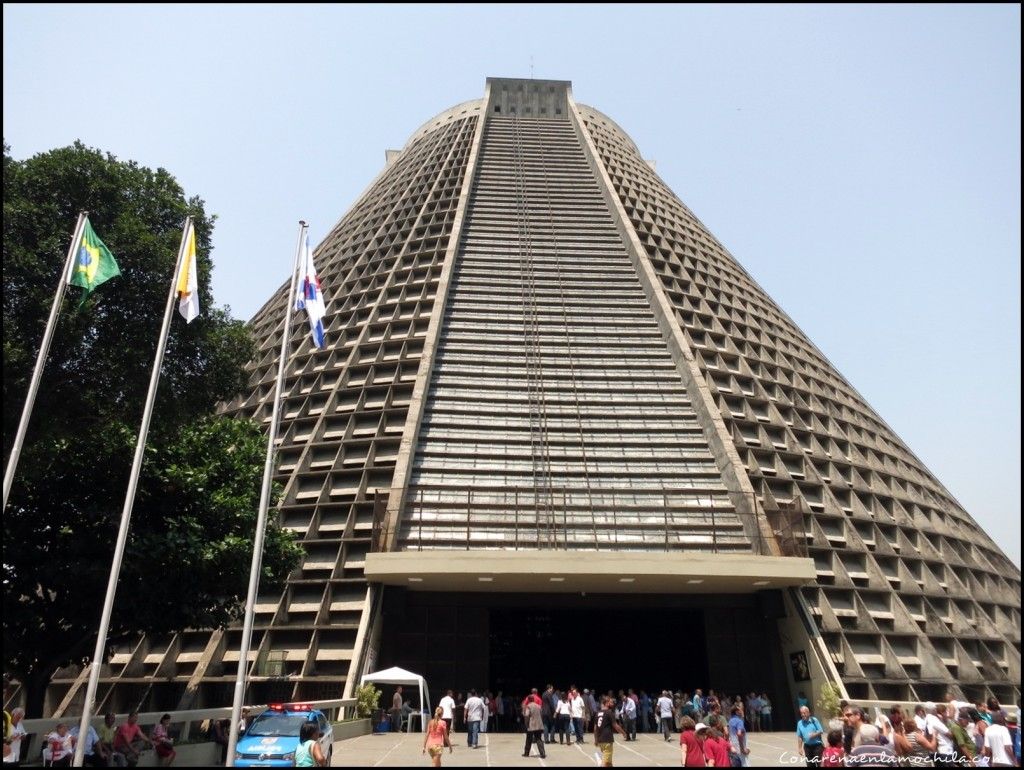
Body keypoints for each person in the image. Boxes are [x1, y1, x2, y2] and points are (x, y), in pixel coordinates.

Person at [594, 694, 626, 768]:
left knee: (609, 763)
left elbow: (595, 729)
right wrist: (623, 733)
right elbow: (615, 725)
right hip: (607, 740)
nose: (612, 703)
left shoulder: (597, 713)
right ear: (607, 703)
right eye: (611, 702)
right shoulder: (609, 712)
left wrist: (596, 740)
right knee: (605, 764)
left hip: (600, 741)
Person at [522, 690, 546, 759]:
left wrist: (526, 724)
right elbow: (541, 714)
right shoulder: (538, 706)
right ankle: (543, 753)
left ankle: (526, 753)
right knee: (539, 739)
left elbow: (527, 716)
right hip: (539, 725)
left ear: (529, 700)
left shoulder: (528, 706)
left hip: (531, 725)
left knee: (528, 739)